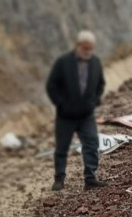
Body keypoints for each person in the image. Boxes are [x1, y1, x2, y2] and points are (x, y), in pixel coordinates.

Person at [45, 31, 107, 190]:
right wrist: (61, 104)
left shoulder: (95, 62)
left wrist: (94, 101)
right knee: (62, 148)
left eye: (91, 49)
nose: (88, 52)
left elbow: (100, 84)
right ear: (78, 46)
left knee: (92, 144)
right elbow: (51, 86)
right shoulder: (63, 62)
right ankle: (59, 178)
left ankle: (90, 178)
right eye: (86, 48)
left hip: (86, 115)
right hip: (65, 116)